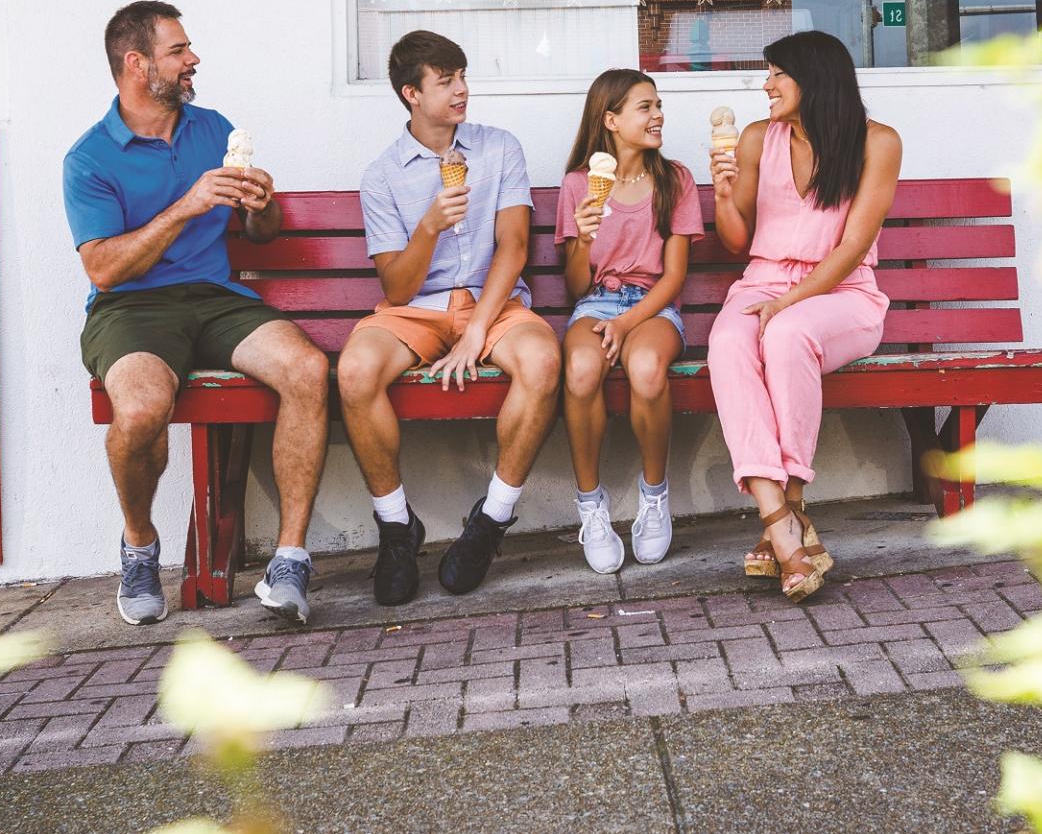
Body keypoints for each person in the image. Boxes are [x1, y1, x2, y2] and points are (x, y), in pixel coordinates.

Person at [63, 1, 330, 627]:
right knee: (140, 408)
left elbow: (263, 233)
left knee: (308, 370)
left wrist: (262, 205)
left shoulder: (214, 128)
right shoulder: (90, 158)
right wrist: (186, 206)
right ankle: (139, 545)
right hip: (131, 310)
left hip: (215, 301)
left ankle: (291, 560)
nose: (194, 61)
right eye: (179, 51)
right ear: (137, 64)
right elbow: (104, 269)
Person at [339, 30, 561, 604]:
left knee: (540, 361)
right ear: (412, 93)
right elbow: (396, 286)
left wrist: (480, 329)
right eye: (446, 81)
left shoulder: (499, 148)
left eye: (463, 76)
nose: (462, 90)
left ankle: (491, 521)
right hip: (416, 311)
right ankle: (395, 528)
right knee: (355, 372)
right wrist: (429, 226)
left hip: (493, 302)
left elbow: (513, 248)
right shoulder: (383, 176)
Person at [707, 31, 901, 602]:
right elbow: (739, 241)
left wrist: (788, 303)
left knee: (787, 334)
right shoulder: (754, 139)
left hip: (843, 293)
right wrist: (722, 197)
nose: (765, 85)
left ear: (813, 78)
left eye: (776, 74)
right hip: (762, 281)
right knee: (728, 346)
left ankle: (788, 509)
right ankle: (782, 525)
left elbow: (852, 246)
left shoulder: (877, 143)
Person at [555, 69, 703, 573]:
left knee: (645, 368)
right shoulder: (578, 185)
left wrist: (627, 324)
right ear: (611, 119)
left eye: (658, 105)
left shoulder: (674, 179)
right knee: (579, 371)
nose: (658, 114)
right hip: (596, 303)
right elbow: (576, 286)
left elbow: (674, 276)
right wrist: (582, 239)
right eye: (645, 107)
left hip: (654, 306)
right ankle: (591, 506)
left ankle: (655, 497)